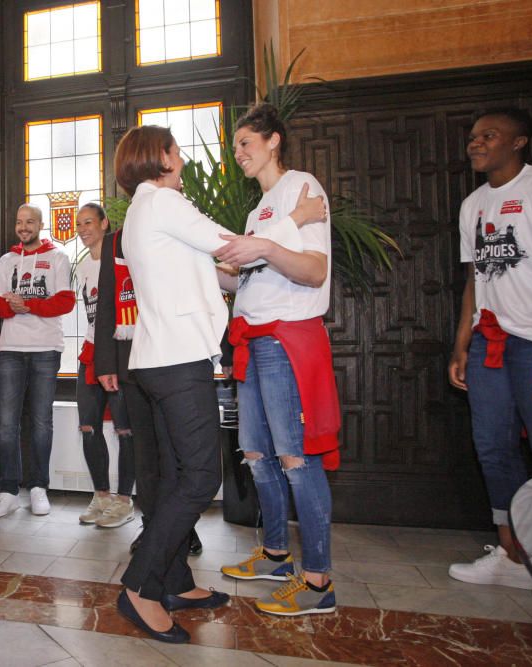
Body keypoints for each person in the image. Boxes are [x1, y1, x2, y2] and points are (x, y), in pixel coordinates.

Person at [113, 125, 308, 643]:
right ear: (160, 159)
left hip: (159, 359)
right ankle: (140, 587)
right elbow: (233, 246)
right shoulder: (164, 203)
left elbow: (212, 265)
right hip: (178, 361)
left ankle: (174, 578)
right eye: (177, 150)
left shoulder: (143, 209)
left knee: (179, 475)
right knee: (200, 478)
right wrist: (297, 220)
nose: (183, 158)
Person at [215, 103, 340, 617]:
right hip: (253, 340)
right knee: (257, 455)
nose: (239, 153)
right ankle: (275, 555)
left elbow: (312, 271)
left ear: (273, 141)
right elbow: (245, 278)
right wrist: (205, 268)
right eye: (237, 145)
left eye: (246, 142)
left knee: (295, 457)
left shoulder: (302, 188)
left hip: (286, 339)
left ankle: (317, 583)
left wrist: (266, 243)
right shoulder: (259, 209)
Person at [447, 107, 532, 592]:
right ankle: (512, 555)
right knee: (493, 447)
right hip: (490, 340)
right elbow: (475, 280)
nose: (476, 142)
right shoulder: (473, 205)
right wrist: (462, 344)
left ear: (520, 141)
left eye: (488, 135)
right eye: (473, 136)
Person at [93, 226, 204, 555]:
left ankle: (182, 528)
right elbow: (107, 303)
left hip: (176, 356)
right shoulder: (116, 240)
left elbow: (198, 289)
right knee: (147, 454)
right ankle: (154, 526)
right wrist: (105, 363)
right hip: (132, 360)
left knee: (178, 452)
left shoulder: (175, 230)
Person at [0, 204, 74, 518]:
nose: (24, 227)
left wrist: (29, 305)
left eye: (30, 222)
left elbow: (66, 300)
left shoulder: (57, 257)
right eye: (20, 222)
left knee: (40, 423)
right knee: (7, 425)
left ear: (41, 224)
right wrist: (14, 308)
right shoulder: (6, 260)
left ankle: (39, 488)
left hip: (46, 349)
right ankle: (8, 491)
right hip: (10, 348)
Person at [73, 203, 136, 528]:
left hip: (120, 352)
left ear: (104, 223)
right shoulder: (83, 267)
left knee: (126, 429)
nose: (83, 229)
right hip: (90, 351)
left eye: (88, 222)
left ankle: (124, 501)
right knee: (88, 426)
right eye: (78, 224)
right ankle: (102, 496)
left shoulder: (122, 259)